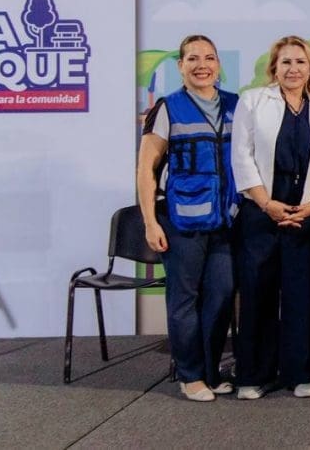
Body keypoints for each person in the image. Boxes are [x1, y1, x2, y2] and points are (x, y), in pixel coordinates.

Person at [231, 36, 310, 400]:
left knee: (301, 296)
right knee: (257, 294)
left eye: (301, 62)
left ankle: (301, 373)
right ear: (273, 67)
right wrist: (267, 204)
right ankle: (252, 376)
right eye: (286, 62)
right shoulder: (253, 101)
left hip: (305, 216)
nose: (293, 69)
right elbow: (241, 158)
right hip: (260, 215)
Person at [137, 35, 239, 402]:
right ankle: (190, 375)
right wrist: (150, 221)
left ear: (218, 64)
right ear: (180, 66)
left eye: (209, 57)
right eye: (193, 58)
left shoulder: (234, 104)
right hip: (180, 222)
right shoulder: (168, 108)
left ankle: (212, 371)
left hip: (225, 221)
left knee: (223, 294)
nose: (202, 65)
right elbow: (146, 169)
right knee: (184, 300)